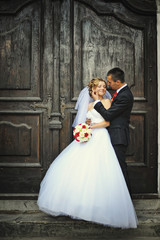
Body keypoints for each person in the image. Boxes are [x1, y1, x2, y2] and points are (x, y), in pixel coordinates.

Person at [37, 77, 138, 228]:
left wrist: (91, 128)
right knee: (81, 170)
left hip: (101, 136)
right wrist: (84, 127)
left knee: (99, 170)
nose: (103, 89)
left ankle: (99, 208)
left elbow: (107, 122)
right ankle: (79, 205)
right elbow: (85, 120)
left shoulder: (106, 102)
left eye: (105, 86)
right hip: (89, 138)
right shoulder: (89, 104)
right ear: (93, 89)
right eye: (100, 87)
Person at [92, 68, 134, 194]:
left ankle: (126, 199)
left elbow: (109, 115)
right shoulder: (120, 93)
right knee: (114, 168)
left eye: (110, 82)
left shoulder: (125, 96)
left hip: (118, 136)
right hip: (112, 135)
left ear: (118, 81)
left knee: (120, 168)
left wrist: (97, 102)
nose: (108, 85)